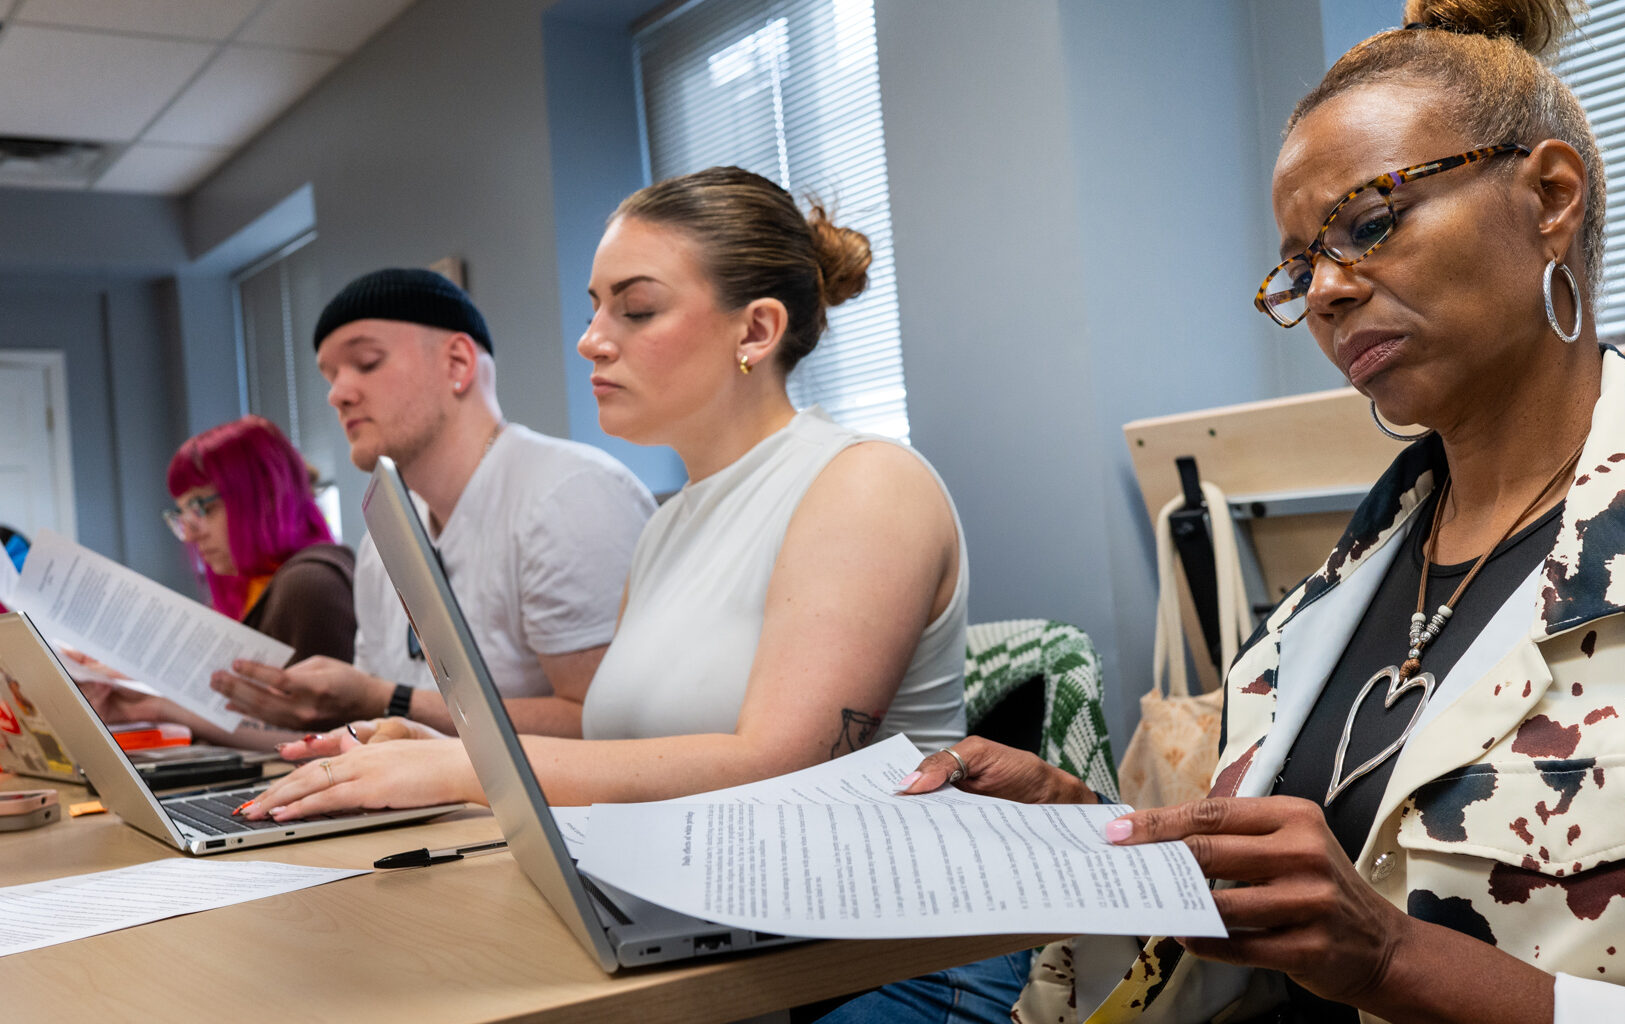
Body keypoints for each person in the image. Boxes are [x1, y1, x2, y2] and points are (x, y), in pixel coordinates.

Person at [901, 3, 1625, 1022]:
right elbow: (1260, 956)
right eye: (1299, 267)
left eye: (1369, 225)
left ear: (1551, 195)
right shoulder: (1325, 605)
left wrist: (1395, 961)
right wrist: (1098, 851)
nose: (1326, 291)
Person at [240, 166, 968, 818]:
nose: (590, 340)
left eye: (637, 309)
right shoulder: (665, 529)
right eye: (593, 309)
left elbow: (786, 766)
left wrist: (466, 767)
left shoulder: (866, 483)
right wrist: (438, 743)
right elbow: (621, 753)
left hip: (867, 915)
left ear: (755, 330)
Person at [209, 268, 656, 739]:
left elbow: (606, 729)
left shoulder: (567, 494)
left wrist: (388, 701)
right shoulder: (383, 542)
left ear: (458, 363)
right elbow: (377, 723)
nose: (337, 394)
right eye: (331, 376)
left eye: (366, 363)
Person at [80, 416, 356, 747]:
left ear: (265, 494)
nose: (190, 534)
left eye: (202, 508)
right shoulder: (248, 586)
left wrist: (159, 706)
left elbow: (320, 740)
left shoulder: (310, 585)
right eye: (182, 514)